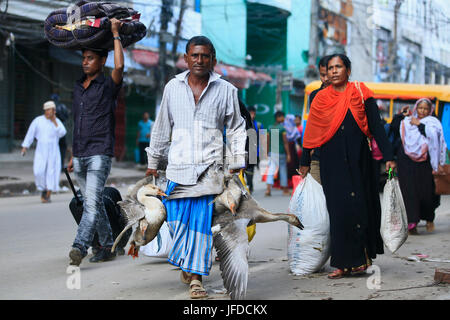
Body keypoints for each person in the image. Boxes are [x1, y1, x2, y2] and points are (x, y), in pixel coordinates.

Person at [145, 36, 246, 299]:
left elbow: (236, 127)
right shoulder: (172, 88)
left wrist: (237, 161)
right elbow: (161, 127)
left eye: (205, 56)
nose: (199, 60)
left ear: (213, 59)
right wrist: (153, 162)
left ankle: (196, 279)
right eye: (195, 55)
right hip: (177, 169)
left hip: (209, 171)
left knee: (199, 226)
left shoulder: (226, 90)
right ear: (186, 58)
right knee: (177, 224)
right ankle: (188, 265)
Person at [299, 54, 396, 279]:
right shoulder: (320, 98)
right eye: (330, 68)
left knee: (361, 208)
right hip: (331, 163)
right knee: (339, 211)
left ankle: (362, 258)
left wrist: (390, 156)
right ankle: (342, 264)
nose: (333, 71)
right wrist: (304, 162)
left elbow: (377, 127)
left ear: (348, 70)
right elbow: (311, 134)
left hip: (360, 159)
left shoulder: (361, 93)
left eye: (338, 67)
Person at [66, 18, 124, 266]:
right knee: (96, 202)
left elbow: (120, 67)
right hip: (80, 153)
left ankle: (80, 246)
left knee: (90, 203)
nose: (85, 62)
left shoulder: (108, 86)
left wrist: (115, 34)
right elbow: (77, 122)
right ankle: (109, 245)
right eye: (84, 58)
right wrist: (72, 154)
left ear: (102, 61)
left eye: (90, 58)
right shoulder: (78, 87)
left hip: (100, 152)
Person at [390, 98, 446, 235]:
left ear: (430, 110)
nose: (422, 111)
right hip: (406, 162)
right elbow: (394, 128)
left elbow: (434, 137)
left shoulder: (433, 123)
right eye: (420, 108)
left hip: (425, 162)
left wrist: (420, 125)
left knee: (426, 193)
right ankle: (412, 223)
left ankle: (428, 218)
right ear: (416, 109)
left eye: (426, 108)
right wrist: (400, 115)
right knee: (409, 192)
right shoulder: (407, 121)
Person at [21, 101, 67, 203]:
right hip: (41, 150)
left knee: (51, 172)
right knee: (38, 171)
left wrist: (54, 121)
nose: (50, 112)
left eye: (51, 110)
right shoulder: (38, 121)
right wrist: (25, 146)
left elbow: (62, 133)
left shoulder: (57, 121)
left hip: (53, 151)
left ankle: (48, 194)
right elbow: (30, 134)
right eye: (48, 110)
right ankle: (43, 189)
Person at [303, 55, 331, 184]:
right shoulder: (315, 96)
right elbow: (312, 127)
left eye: (328, 75)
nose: (325, 79)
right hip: (318, 156)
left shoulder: (347, 94)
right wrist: (304, 160)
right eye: (322, 75)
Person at [265, 111, 291, 196]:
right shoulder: (282, 129)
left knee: (271, 170)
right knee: (283, 170)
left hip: (272, 152)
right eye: (282, 117)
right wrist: (288, 154)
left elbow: (267, 141)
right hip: (281, 152)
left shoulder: (269, 128)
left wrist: (266, 152)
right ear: (278, 118)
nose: (283, 119)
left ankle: (268, 189)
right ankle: (285, 190)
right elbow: (285, 142)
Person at [246, 105, 263, 193]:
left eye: (253, 113)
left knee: (251, 169)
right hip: (244, 150)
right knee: (244, 169)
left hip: (254, 151)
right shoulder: (243, 123)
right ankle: (247, 185)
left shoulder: (259, 125)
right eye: (250, 113)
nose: (252, 115)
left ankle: (250, 186)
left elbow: (262, 137)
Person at [50, 93, 70, 171]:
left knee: (56, 148)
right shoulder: (62, 106)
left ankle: (55, 166)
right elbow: (67, 116)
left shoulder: (50, 108)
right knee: (62, 148)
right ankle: (60, 165)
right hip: (61, 130)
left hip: (54, 131)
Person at [283, 114, 301, 187]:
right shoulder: (288, 129)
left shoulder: (287, 129)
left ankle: (290, 182)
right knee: (290, 166)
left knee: (292, 166)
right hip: (289, 150)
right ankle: (289, 182)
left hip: (291, 150)